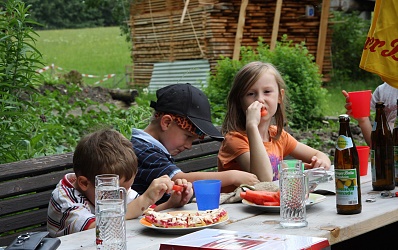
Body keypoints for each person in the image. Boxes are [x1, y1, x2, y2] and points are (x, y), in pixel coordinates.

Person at [47, 128, 193, 237]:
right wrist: (145, 199)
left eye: (126, 189)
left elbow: (145, 214)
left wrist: (171, 203)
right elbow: (95, 227)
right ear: (84, 183)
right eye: (117, 191)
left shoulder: (116, 188)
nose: (121, 196)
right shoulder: (65, 199)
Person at [131, 83, 260, 204]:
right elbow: (177, 179)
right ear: (166, 123)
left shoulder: (151, 148)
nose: (188, 145)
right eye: (188, 136)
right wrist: (233, 176)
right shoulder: (143, 151)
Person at [217, 61, 331, 192]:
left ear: (279, 97)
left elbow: (319, 154)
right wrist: (252, 126)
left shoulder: (277, 135)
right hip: (240, 211)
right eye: (250, 94)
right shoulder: (235, 140)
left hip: (269, 207)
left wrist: (321, 162)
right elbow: (263, 180)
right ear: (239, 102)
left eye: (267, 91)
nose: (260, 99)